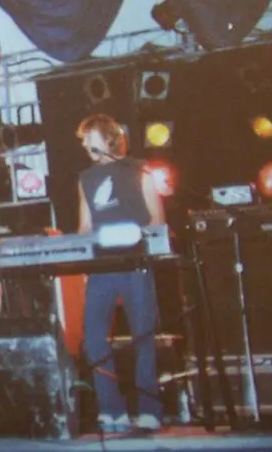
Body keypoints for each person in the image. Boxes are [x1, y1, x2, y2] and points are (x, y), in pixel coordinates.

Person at [76, 114, 165, 433]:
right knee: (93, 337)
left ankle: (149, 410)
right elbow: (85, 226)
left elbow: (156, 220)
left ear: (109, 138)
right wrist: (83, 258)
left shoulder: (140, 169)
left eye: (90, 136)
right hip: (102, 266)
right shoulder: (85, 178)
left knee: (143, 335)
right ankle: (111, 409)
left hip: (135, 263)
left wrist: (142, 242)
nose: (85, 143)